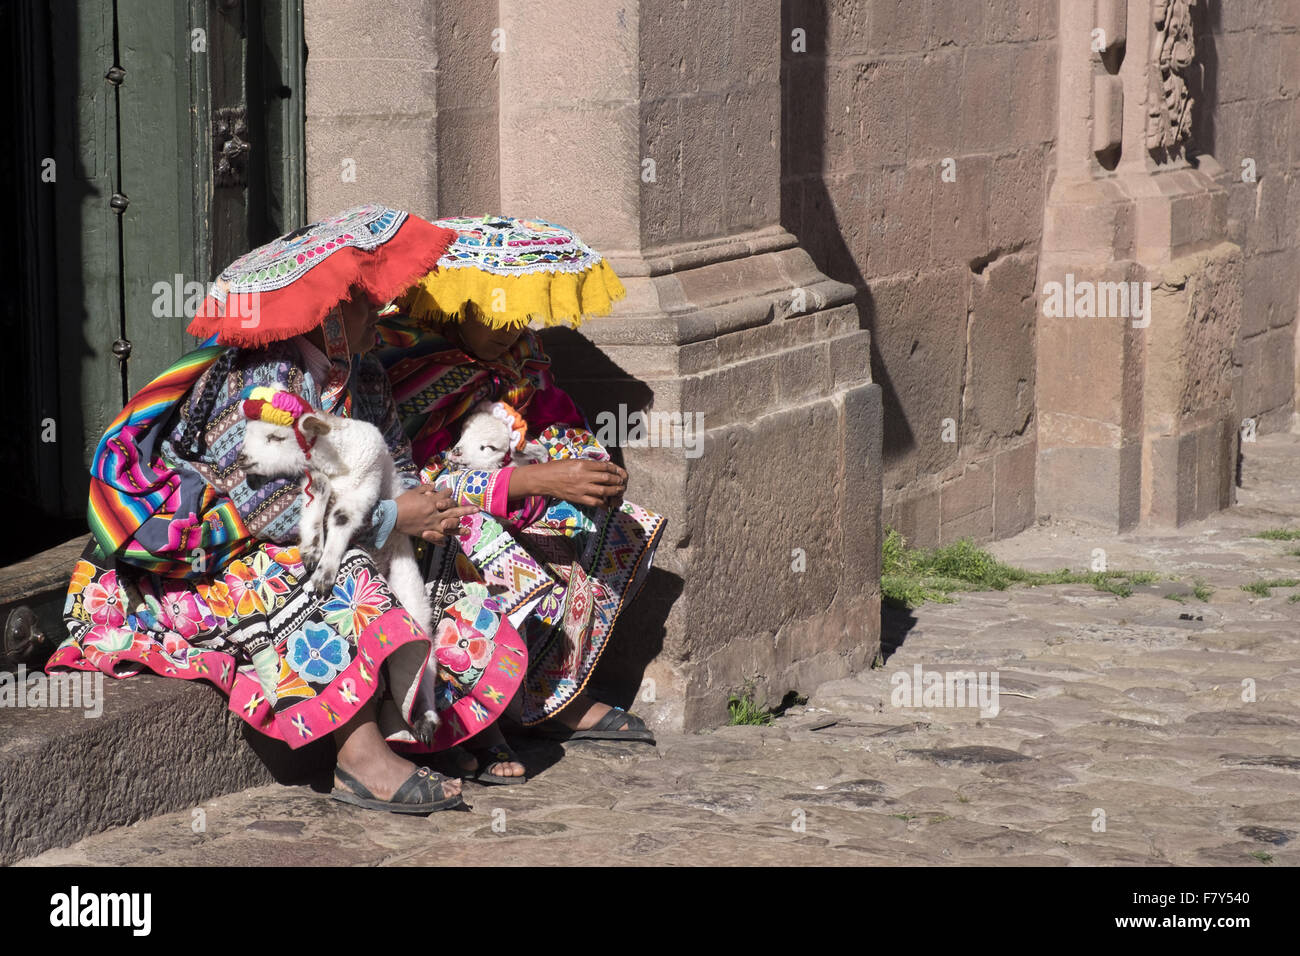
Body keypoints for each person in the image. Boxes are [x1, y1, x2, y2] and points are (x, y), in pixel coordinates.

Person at [51, 207, 525, 813]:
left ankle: (430, 718)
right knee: (337, 576)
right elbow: (272, 511)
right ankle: (359, 756)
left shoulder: (363, 375)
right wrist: (389, 518)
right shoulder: (259, 381)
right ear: (329, 309)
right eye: (364, 303)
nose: (380, 314)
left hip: (301, 531)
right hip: (204, 560)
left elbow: (395, 467)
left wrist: (425, 507)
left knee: (452, 548)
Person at [378, 301, 667, 782]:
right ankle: (475, 715)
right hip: (442, 519)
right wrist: (532, 482)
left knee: (607, 530)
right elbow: (416, 483)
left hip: (520, 492)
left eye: (517, 316)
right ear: (456, 306)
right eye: (492, 315)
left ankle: (551, 695)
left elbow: (555, 421)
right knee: (493, 550)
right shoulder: (409, 359)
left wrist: (583, 466)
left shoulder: (521, 356)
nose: (507, 330)